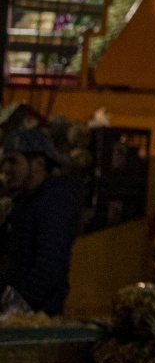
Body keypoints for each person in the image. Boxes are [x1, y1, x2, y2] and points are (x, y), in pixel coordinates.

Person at [1, 125, 83, 316]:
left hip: (37, 320)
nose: (6, 169)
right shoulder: (23, 203)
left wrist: (19, 308)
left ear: (38, 163)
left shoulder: (55, 202)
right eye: (4, 162)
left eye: (13, 161)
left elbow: (50, 264)